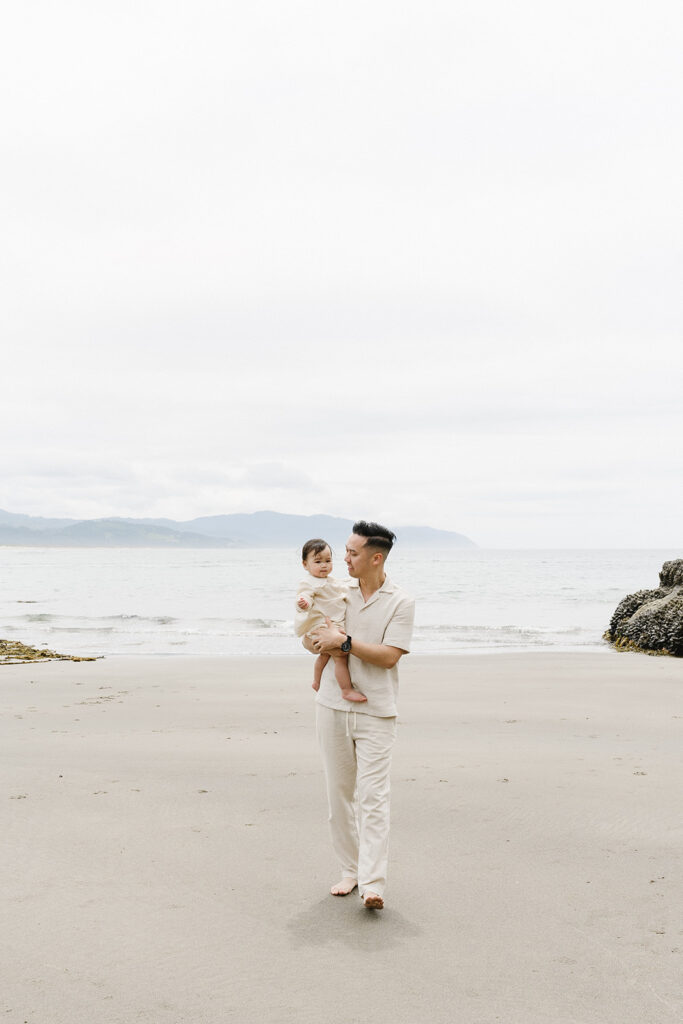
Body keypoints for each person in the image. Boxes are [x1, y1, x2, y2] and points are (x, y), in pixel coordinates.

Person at [307, 520, 415, 910]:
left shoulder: (401, 601)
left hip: (377, 711)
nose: (344, 559)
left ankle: (373, 884)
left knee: (373, 798)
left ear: (376, 558)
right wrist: (317, 639)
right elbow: (312, 637)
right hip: (332, 707)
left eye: (352, 553)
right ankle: (349, 872)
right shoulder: (337, 591)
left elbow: (388, 657)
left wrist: (345, 643)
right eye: (345, 551)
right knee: (339, 796)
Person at [295, 539, 366, 703]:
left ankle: (316, 681)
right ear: (305, 564)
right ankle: (346, 689)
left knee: (325, 656)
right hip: (320, 627)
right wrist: (303, 603)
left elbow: (343, 589)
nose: (324, 565)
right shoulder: (308, 582)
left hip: (331, 626)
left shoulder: (332, 581)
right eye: (318, 561)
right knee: (340, 656)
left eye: (328, 560)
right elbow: (304, 595)